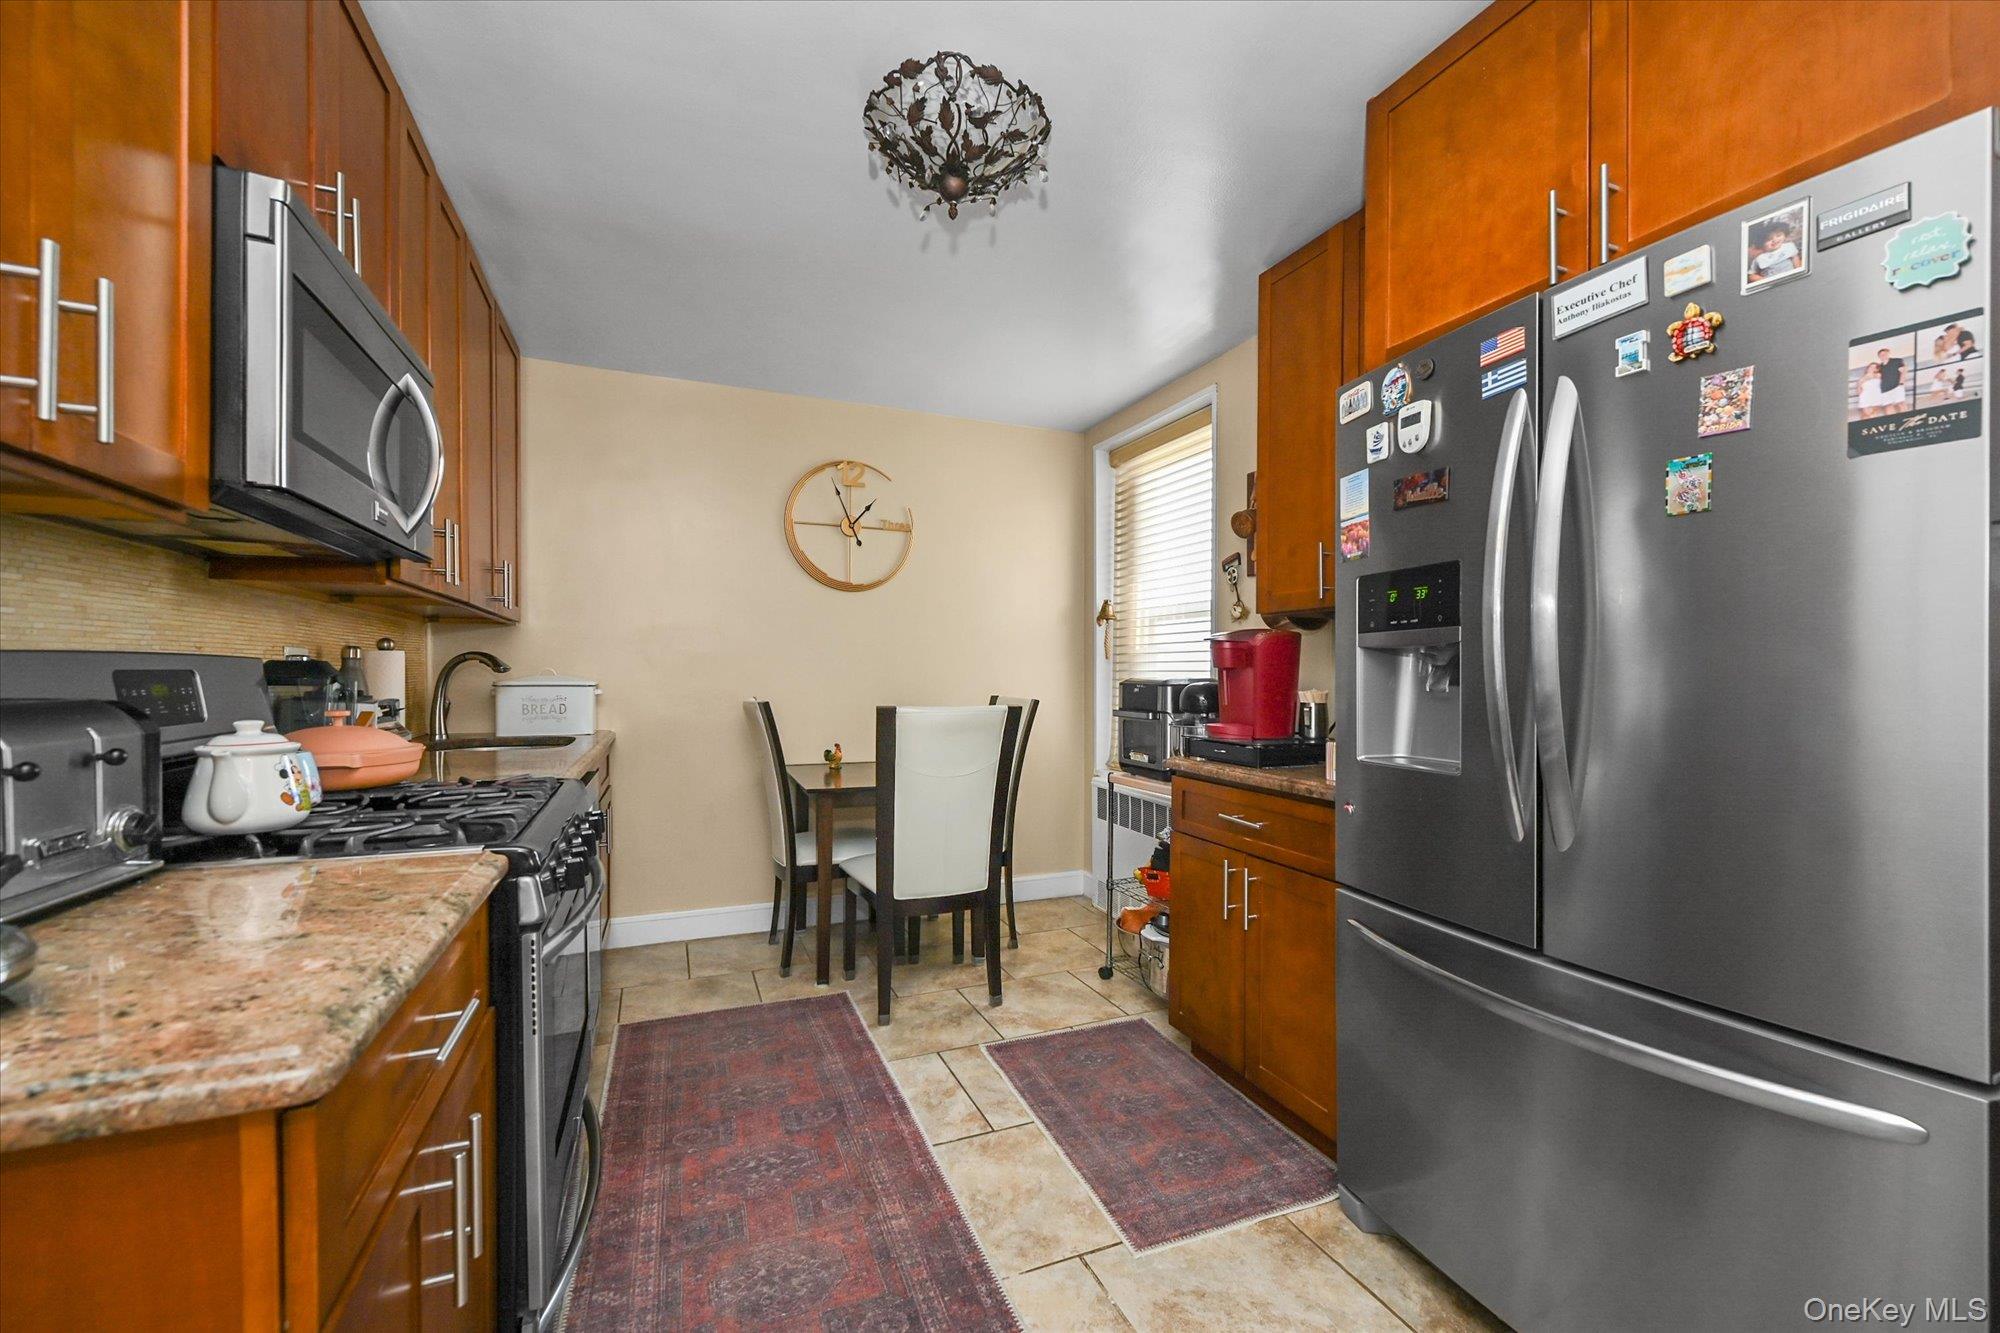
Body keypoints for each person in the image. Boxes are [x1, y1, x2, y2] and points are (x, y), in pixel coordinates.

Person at [1747, 216, 1802, 285]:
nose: (1774, 240)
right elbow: (1751, 275)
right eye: (1769, 239)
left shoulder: (1789, 246)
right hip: (1772, 284)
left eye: (1778, 235)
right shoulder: (1760, 258)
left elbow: (1796, 259)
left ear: (1785, 236)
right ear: (1762, 243)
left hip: (1791, 279)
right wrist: (1765, 280)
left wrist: (1799, 272)